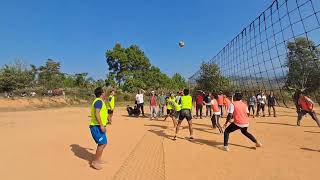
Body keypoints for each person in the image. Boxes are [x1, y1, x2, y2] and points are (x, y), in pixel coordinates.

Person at [89, 87, 108, 170]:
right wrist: (101, 125)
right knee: (102, 144)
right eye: (104, 92)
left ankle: (98, 159)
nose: (105, 93)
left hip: (98, 126)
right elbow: (97, 114)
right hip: (96, 126)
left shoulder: (99, 101)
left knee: (104, 143)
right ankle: (95, 162)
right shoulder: (98, 102)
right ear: (101, 93)